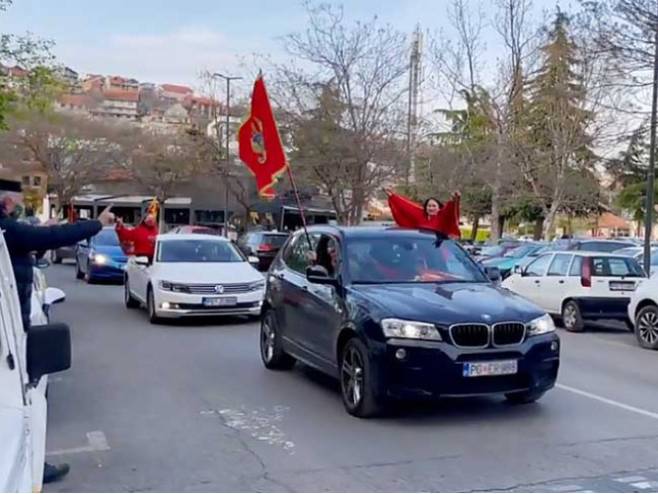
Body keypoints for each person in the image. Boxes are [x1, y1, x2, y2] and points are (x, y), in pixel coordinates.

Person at [0, 178, 115, 484]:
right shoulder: (6, 231)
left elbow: (39, 237)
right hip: (7, 339)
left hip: (12, 329)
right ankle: (29, 465)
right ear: (8, 203)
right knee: (20, 405)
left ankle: (29, 461)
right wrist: (96, 223)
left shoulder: (9, 232)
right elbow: (51, 237)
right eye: (15, 200)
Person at [384, 187, 461, 239]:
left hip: (440, 248)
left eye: (434, 206)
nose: (431, 208)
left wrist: (454, 200)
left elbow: (451, 211)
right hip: (422, 250)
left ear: (439, 208)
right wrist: (392, 196)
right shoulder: (421, 215)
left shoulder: (443, 216)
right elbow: (406, 207)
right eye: (429, 206)